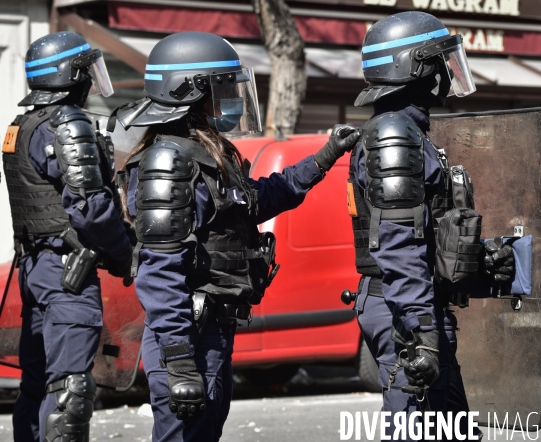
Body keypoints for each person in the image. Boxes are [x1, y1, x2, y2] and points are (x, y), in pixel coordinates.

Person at [114, 31, 360, 442]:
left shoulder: (209, 154)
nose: (230, 99)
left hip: (212, 333)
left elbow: (259, 199)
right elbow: (158, 272)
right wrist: (179, 362)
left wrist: (323, 158)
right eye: (222, 88)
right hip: (188, 339)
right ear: (189, 92)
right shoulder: (169, 161)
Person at [347, 11, 514, 440]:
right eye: (441, 61)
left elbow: (426, 233)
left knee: (452, 428)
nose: (447, 72)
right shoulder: (394, 137)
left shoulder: (410, 132)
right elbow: (399, 247)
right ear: (415, 67)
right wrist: (421, 331)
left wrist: (479, 261)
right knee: (416, 431)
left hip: (414, 304)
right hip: (405, 309)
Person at [2, 32, 132, 442]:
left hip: (36, 267)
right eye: (87, 71)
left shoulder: (20, 123)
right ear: (69, 75)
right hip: (66, 274)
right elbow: (90, 208)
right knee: (69, 391)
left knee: (38, 385)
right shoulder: (67, 123)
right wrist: (125, 253)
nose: (92, 81)